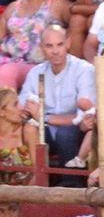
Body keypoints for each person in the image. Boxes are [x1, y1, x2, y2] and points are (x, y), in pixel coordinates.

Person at [19, 24, 92, 168]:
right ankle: (37, 180)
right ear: (41, 47)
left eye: (60, 44)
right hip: (45, 130)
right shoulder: (36, 72)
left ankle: (71, 183)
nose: (55, 51)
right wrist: (30, 114)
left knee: (65, 134)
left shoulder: (84, 70)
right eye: (49, 46)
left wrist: (42, 117)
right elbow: (22, 108)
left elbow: (83, 119)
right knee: (28, 128)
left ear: (68, 43)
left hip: (76, 132)